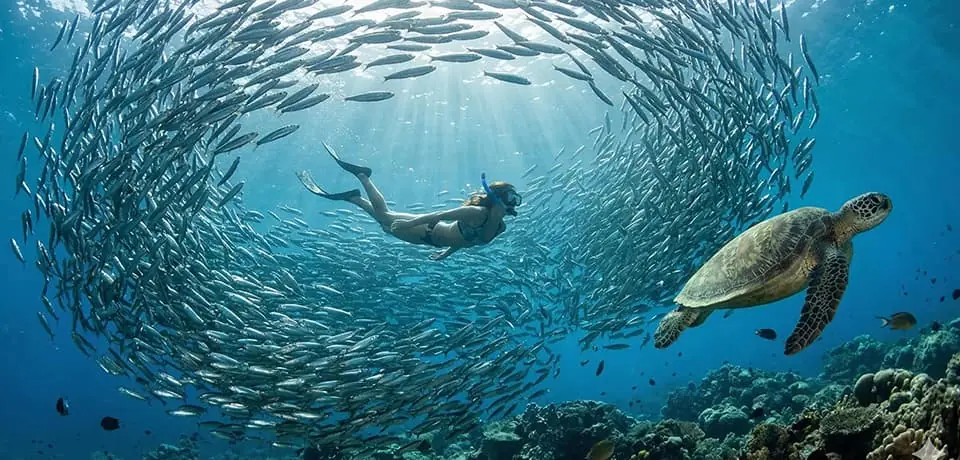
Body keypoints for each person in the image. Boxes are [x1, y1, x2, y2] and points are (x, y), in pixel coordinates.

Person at [296, 143, 522, 260]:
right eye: (511, 197)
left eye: (516, 199)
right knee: (384, 218)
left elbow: (468, 241)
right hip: (426, 230)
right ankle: (362, 178)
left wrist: (447, 252)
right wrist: (408, 225)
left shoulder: (499, 226)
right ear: (497, 197)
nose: (514, 203)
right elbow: (439, 215)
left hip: (431, 239)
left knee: (384, 219)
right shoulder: (477, 213)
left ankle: (355, 196)